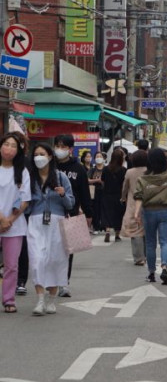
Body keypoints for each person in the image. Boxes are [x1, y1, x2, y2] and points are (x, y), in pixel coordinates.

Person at [27, 143, 75, 315]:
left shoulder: (61, 177)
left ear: (50, 157)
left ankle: (51, 299)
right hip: (35, 222)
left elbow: (71, 203)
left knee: (55, 260)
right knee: (37, 259)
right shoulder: (30, 178)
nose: (38, 157)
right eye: (36, 154)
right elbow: (26, 206)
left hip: (57, 222)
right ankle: (40, 300)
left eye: (42, 154)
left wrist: (62, 194)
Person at [54, 134, 94, 297]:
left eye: (64, 146)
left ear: (71, 149)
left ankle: (64, 283)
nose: (60, 149)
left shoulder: (78, 169)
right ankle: (49, 281)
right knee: (49, 250)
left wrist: (89, 214)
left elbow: (84, 193)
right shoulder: (50, 166)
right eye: (58, 146)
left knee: (67, 251)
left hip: (70, 214)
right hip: (50, 214)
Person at [134, 148, 167, 285]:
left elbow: (138, 197)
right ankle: (165, 267)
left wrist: (137, 213)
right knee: (165, 242)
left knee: (150, 243)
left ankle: (151, 272)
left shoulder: (143, 178)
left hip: (148, 212)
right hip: (166, 211)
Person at [0, 133, 31, 313]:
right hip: (3, 221)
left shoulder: (22, 171)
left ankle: (9, 299)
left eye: (13, 146)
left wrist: (9, 220)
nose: (9, 149)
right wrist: (1, 219)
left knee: (12, 265)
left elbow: (25, 199)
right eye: (6, 144)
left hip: (15, 226)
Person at [121, 150, 148, 265]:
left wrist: (123, 197)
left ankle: (138, 258)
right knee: (146, 230)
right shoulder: (149, 171)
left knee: (135, 231)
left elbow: (125, 188)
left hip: (133, 203)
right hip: (148, 203)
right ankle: (146, 255)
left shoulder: (129, 172)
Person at [101, 148, 126, 242]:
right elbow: (124, 184)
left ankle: (107, 231)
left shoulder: (106, 169)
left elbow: (102, 181)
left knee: (107, 213)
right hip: (118, 195)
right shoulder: (123, 170)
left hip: (106, 194)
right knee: (118, 214)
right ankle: (117, 235)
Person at [87, 151, 106, 234]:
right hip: (94, 191)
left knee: (104, 208)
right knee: (95, 209)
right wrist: (97, 180)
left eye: (100, 156)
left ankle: (105, 226)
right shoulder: (92, 170)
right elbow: (87, 180)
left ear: (103, 158)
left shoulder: (106, 169)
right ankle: (96, 227)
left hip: (105, 191)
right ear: (94, 159)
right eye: (97, 156)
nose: (99, 158)